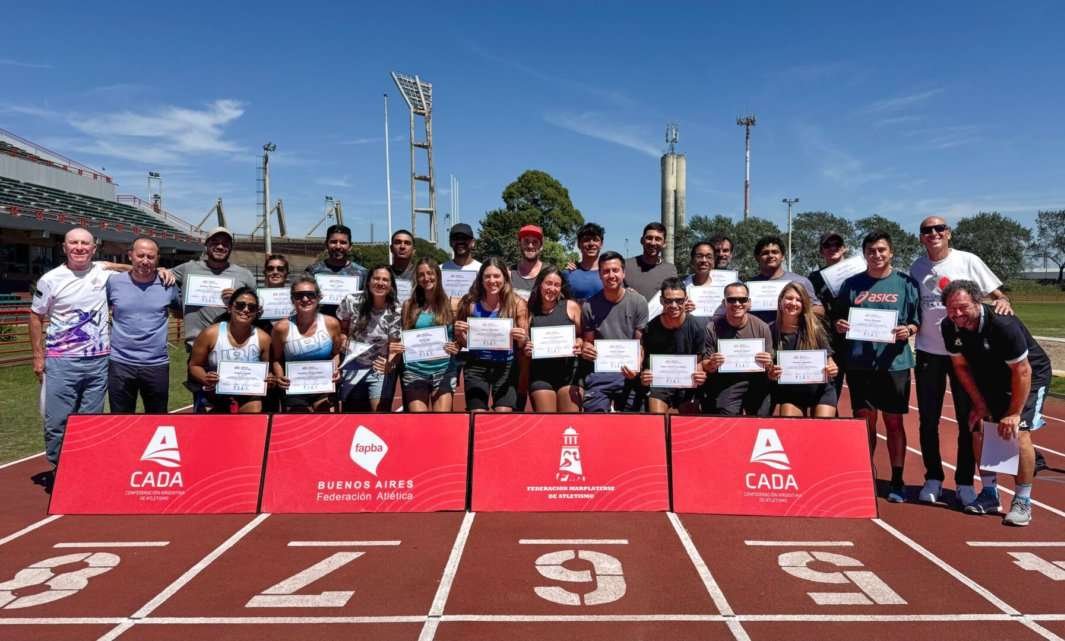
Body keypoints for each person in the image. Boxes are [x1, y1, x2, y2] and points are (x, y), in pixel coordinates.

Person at [909, 216, 1013, 507]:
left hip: (967, 356)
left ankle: (966, 481)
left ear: (949, 233)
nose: (933, 233)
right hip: (929, 352)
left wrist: (1003, 300)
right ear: (921, 237)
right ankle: (933, 478)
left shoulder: (968, 260)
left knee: (969, 418)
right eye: (927, 230)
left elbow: (997, 292)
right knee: (928, 419)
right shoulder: (916, 267)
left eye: (939, 228)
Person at [941, 280, 1051, 526]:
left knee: (1018, 432)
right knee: (978, 427)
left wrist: (1013, 413)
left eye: (963, 307)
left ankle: (1023, 501)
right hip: (990, 375)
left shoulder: (1003, 324)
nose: (958, 314)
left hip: (1029, 375)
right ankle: (990, 492)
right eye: (951, 309)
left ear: (977, 302)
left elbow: (1022, 372)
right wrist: (979, 404)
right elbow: (960, 368)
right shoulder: (948, 326)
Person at [835, 231, 921, 503]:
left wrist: (908, 329)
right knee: (864, 423)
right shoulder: (851, 284)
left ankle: (897, 478)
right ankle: (866, 475)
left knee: (894, 422)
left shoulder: (906, 283)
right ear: (864, 254)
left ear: (891, 252)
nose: (877, 255)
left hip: (894, 363)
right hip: (860, 364)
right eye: (871, 251)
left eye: (882, 250)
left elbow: (917, 321)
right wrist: (840, 325)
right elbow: (838, 318)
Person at [30, 228, 114, 466]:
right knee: (57, 420)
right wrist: (38, 357)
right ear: (64, 248)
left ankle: (83, 468)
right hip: (62, 361)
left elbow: (130, 269)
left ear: (94, 249)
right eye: (74, 243)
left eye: (85, 243)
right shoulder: (50, 279)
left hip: (98, 361)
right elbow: (35, 317)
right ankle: (59, 467)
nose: (79, 247)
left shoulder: (102, 270)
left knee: (91, 421)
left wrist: (158, 269)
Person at [172, 227, 256, 411]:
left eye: (225, 243)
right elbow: (152, 274)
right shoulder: (188, 268)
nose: (220, 246)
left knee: (240, 409)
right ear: (206, 245)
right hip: (199, 352)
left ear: (231, 248)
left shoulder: (244, 275)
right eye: (215, 242)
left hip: (235, 351)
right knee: (205, 410)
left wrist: (239, 298)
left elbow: (257, 308)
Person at [106, 237, 180, 414]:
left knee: (157, 419)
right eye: (140, 255)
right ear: (130, 255)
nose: (145, 260)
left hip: (156, 365)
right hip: (120, 363)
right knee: (120, 420)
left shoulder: (168, 284)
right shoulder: (113, 282)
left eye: (150, 256)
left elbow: (179, 311)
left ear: (157, 259)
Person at [454, 257, 529, 412]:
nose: (492, 280)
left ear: (505, 278)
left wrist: (522, 338)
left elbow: (523, 343)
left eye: (497, 276)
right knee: (477, 415)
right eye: (487, 276)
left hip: (506, 367)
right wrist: (460, 334)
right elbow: (463, 343)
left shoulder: (517, 303)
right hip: (476, 365)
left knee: (503, 414)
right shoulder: (470, 303)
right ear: (481, 279)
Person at [580, 251, 649, 412]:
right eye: (605, 271)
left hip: (629, 375)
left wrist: (636, 367)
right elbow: (588, 342)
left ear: (623, 273)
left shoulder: (639, 302)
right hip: (600, 376)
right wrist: (586, 349)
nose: (611, 275)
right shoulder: (589, 306)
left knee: (633, 425)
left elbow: (639, 344)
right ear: (599, 275)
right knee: (595, 423)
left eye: (615, 270)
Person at [187, 287, 271, 414]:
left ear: (256, 312)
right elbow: (194, 365)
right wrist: (206, 377)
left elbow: (269, 371)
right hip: (215, 391)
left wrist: (270, 378)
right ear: (230, 308)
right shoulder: (210, 334)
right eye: (240, 305)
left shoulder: (264, 339)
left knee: (254, 407)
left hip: (248, 393)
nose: (246, 310)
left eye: (251, 307)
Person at [396, 258, 461, 412]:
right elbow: (405, 336)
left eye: (430, 273)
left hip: (443, 371)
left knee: (442, 422)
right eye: (421, 275)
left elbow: (460, 338)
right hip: (415, 371)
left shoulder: (453, 304)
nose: (426, 278)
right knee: (419, 423)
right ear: (417, 279)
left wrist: (456, 345)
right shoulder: (408, 305)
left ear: (437, 275)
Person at [270, 277, 344, 413]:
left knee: (327, 421)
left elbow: (336, 353)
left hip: (323, 385)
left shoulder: (331, 324)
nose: (305, 299)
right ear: (292, 300)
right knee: (298, 425)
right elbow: (277, 359)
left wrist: (336, 370)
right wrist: (280, 376)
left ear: (319, 297)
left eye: (310, 295)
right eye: (299, 296)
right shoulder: (281, 328)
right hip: (294, 386)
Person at [766, 282, 839, 417]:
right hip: (791, 393)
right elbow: (767, 367)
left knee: (822, 432)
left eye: (798, 300)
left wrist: (832, 368)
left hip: (820, 390)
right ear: (780, 300)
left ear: (804, 304)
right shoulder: (769, 330)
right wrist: (770, 373)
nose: (793, 303)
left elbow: (830, 361)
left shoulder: (814, 328)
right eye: (789, 298)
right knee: (791, 430)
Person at [336, 265, 403, 412]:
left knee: (379, 415)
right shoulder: (351, 300)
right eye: (376, 278)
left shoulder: (396, 310)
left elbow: (394, 346)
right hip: (352, 364)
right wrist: (342, 338)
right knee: (351, 415)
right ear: (368, 281)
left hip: (378, 367)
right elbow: (341, 327)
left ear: (391, 285)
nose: (380, 283)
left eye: (385, 280)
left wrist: (389, 363)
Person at [701, 282, 774, 416]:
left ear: (749, 302)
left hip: (756, 381)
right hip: (726, 383)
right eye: (731, 299)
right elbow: (705, 365)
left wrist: (769, 363)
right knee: (726, 419)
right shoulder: (712, 328)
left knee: (760, 420)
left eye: (742, 299)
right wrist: (712, 363)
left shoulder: (762, 327)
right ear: (724, 303)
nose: (737, 303)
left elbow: (771, 366)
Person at [639, 278, 707, 414]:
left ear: (686, 299)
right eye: (669, 301)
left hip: (687, 383)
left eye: (679, 300)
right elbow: (644, 362)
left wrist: (700, 374)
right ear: (661, 301)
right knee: (657, 420)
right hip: (660, 384)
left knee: (687, 426)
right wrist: (644, 375)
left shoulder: (697, 327)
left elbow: (699, 361)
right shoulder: (650, 329)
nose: (674, 305)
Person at [524, 265, 583, 412]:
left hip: (569, 374)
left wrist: (579, 342)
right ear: (540, 285)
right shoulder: (529, 311)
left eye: (557, 285)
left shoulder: (571, 306)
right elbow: (524, 342)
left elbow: (583, 336)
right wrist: (526, 348)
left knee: (570, 425)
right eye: (548, 283)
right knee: (547, 424)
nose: (552, 288)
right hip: (541, 375)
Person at [808, 232, 851, 401]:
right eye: (827, 245)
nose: (833, 248)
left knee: (863, 399)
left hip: (858, 341)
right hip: (831, 341)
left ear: (845, 248)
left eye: (837, 244)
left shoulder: (861, 272)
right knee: (830, 392)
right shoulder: (814, 278)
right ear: (821, 251)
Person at [748, 236, 823, 324]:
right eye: (765, 253)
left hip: (793, 335)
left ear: (782, 256)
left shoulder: (801, 281)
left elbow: (820, 310)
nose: (770, 255)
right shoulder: (749, 286)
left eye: (775, 252)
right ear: (757, 257)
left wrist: (796, 308)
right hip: (761, 335)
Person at [304, 224, 368, 317]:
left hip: (350, 328)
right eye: (333, 242)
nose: (338, 246)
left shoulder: (362, 273)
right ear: (326, 244)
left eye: (343, 242)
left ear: (350, 246)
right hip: (320, 326)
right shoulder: (312, 271)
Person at [624, 222, 678, 301]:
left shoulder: (670, 270)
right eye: (649, 238)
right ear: (642, 240)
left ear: (664, 244)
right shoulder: (625, 266)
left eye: (658, 239)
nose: (653, 243)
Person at [564, 222, 605, 301]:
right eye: (586, 240)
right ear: (579, 244)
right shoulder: (568, 274)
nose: (591, 244)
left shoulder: (610, 274)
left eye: (595, 240)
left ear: (601, 244)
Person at [511, 224, 544, 300]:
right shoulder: (509, 273)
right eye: (526, 241)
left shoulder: (549, 273)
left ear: (541, 246)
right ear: (519, 244)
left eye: (535, 242)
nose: (530, 246)